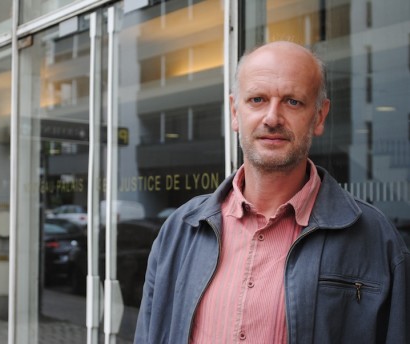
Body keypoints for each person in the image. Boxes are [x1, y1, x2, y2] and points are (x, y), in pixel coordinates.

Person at [134, 41, 410, 343]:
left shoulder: (375, 239)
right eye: (257, 99)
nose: (272, 118)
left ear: (319, 116)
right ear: (235, 112)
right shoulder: (179, 230)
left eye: (292, 101)